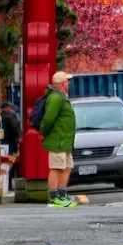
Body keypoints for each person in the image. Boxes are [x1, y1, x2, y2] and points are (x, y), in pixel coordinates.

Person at [39, 71, 77, 209]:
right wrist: (43, 131)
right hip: (58, 140)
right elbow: (49, 118)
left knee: (67, 167)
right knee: (56, 168)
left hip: (65, 141)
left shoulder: (61, 96)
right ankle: (54, 198)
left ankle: (62, 195)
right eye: (67, 81)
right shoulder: (55, 97)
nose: (69, 83)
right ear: (62, 84)